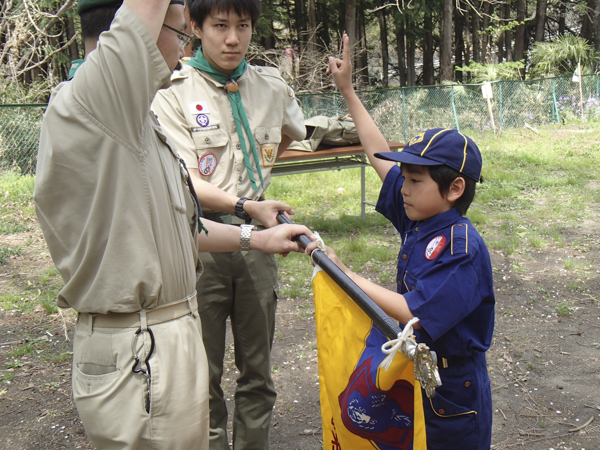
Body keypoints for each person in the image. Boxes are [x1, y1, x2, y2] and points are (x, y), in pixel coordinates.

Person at [33, 1, 311, 448]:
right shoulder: (96, 101)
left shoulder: (134, 124)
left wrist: (255, 238)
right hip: (140, 345)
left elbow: (181, 225)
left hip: (156, 336)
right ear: (133, 33)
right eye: (182, 32)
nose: (184, 49)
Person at [305, 34, 495, 449]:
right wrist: (348, 91)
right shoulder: (420, 215)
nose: (403, 188)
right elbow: (377, 154)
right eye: (404, 178)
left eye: (414, 180)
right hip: (415, 374)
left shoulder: (460, 246)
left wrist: (344, 275)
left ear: (454, 188)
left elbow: (413, 310)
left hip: (453, 391)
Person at [151, 1, 306, 448]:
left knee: (258, 370)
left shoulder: (270, 86)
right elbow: (183, 181)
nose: (233, 38)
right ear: (195, 27)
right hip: (199, 240)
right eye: (220, 26)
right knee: (203, 372)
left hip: (261, 241)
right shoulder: (172, 89)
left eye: (243, 26)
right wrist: (244, 206)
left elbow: (293, 132)